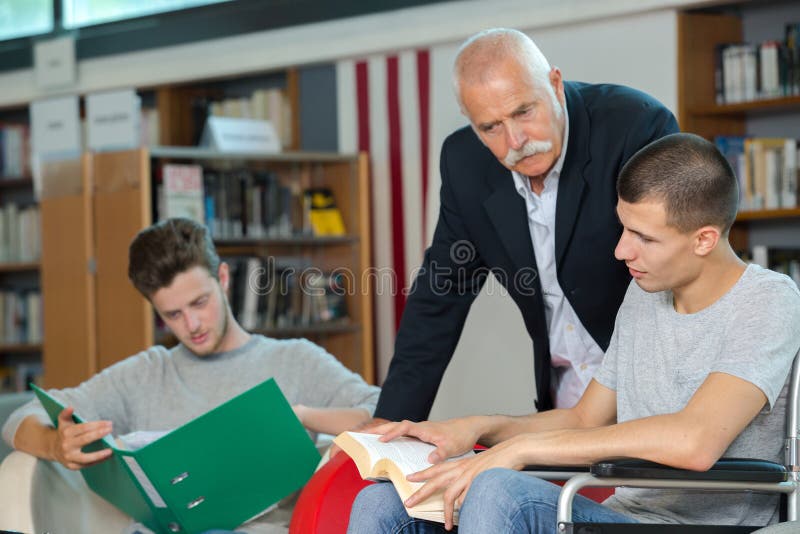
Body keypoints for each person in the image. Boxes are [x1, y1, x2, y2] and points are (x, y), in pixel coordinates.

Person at [347, 133, 800, 533]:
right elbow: (585, 419)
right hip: (625, 517)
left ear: (703, 239)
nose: (622, 249)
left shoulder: (768, 300)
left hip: (702, 528)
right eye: (623, 227)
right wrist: (479, 428)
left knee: (500, 491)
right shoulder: (645, 294)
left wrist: (523, 450)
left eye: (644, 237)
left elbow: (696, 441)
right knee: (385, 504)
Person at [374, 28, 680, 424]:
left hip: (659, 394)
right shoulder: (465, 163)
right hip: (563, 403)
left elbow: (674, 267)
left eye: (523, 112)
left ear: (554, 84)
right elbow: (440, 296)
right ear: (471, 122)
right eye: (490, 127)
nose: (515, 140)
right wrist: (390, 422)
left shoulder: (634, 126)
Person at [1, 217, 380, 533]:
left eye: (200, 302)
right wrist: (56, 445)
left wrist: (300, 416)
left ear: (224, 278)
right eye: (173, 315)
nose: (193, 325)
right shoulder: (146, 373)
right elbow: (19, 418)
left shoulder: (295, 360)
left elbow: (379, 410)